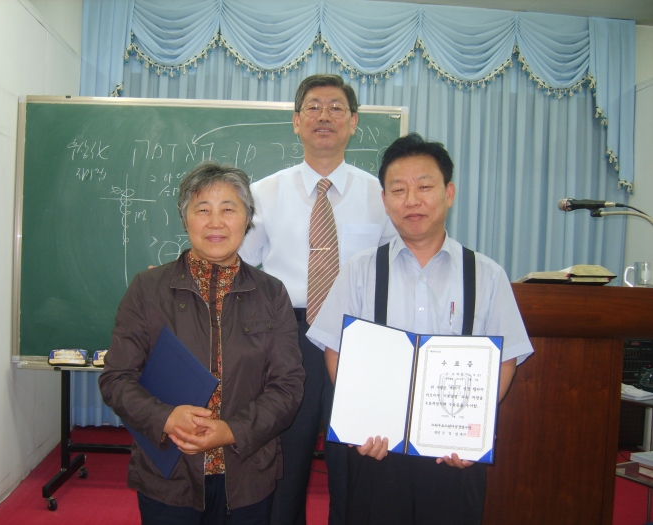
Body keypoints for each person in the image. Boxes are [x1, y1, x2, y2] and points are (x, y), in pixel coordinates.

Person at [306, 133, 534, 525]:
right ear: (385, 201)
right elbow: (335, 350)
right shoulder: (360, 270)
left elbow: (506, 360)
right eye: (399, 190)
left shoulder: (487, 274)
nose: (412, 200)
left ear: (449, 193)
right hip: (377, 452)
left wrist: (471, 431)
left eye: (424, 187)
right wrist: (360, 420)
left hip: (454, 457)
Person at [99, 161, 305, 525]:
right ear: (185, 219)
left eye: (228, 209)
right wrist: (165, 418)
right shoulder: (148, 289)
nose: (216, 222)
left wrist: (232, 430)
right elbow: (116, 378)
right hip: (169, 473)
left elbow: (288, 386)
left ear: (247, 218)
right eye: (203, 210)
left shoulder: (272, 294)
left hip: (248, 473)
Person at [238, 74, 396, 525]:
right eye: (313, 107)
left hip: (358, 336)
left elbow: (394, 269)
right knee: (285, 461)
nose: (324, 116)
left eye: (336, 107)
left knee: (355, 460)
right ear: (296, 121)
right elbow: (241, 268)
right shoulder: (263, 193)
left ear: (354, 122)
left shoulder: (381, 196)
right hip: (287, 337)